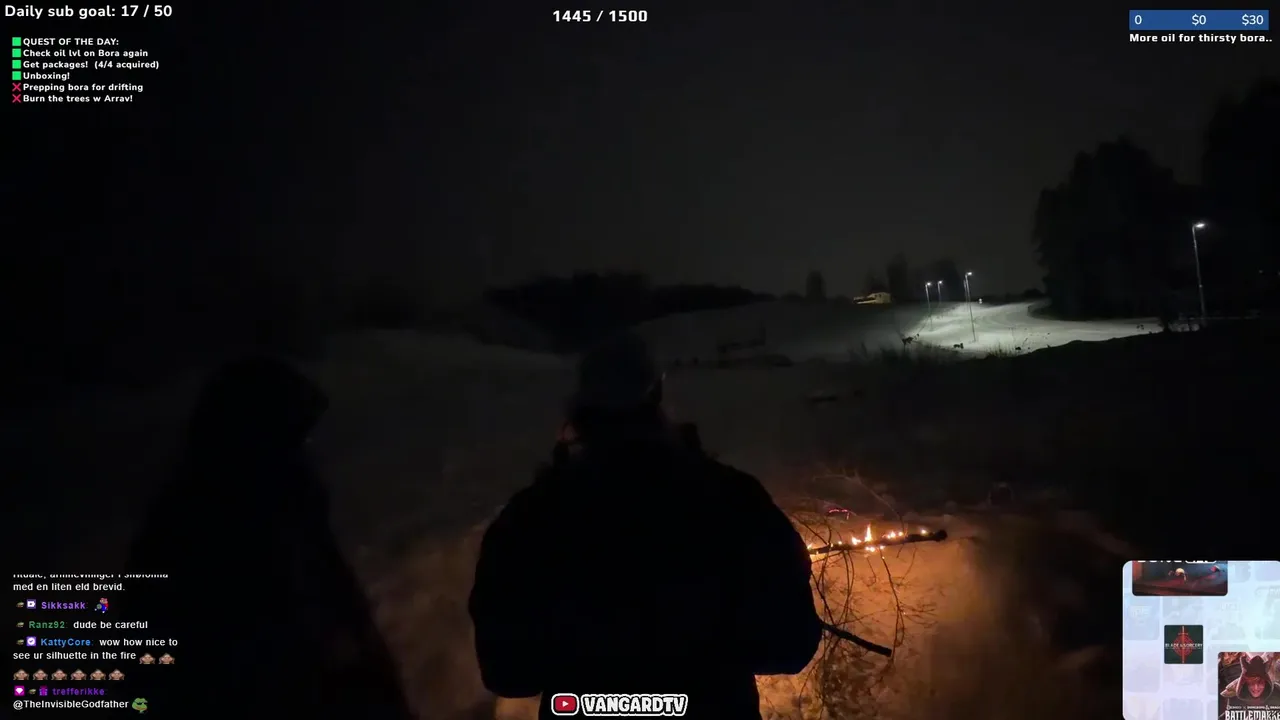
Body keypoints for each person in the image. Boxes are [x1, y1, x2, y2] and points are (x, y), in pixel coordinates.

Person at [469, 332, 823, 719]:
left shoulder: (532, 518)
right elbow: (791, 643)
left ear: (581, 410)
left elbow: (507, 670)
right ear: (658, 398)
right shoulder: (732, 499)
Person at [124, 355, 412, 718]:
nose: (306, 448)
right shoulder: (199, 526)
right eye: (295, 436)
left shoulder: (291, 500)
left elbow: (330, 588)